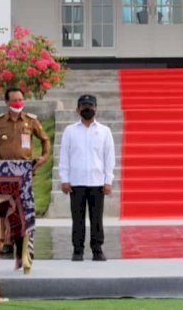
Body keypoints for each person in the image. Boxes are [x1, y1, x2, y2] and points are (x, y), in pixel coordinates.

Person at [0, 87, 51, 258]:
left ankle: (25, 242)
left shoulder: (30, 121)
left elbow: (45, 139)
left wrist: (43, 158)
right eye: (14, 100)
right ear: (7, 102)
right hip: (5, 173)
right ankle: (7, 242)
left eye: (21, 99)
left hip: (24, 173)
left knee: (25, 207)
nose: (18, 103)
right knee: (6, 207)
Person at [59, 94, 115, 261]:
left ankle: (97, 249)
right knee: (78, 219)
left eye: (90, 106)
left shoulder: (104, 131)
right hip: (76, 182)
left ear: (96, 108)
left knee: (96, 218)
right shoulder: (70, 131)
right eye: (84, 106)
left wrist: (108, 181)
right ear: (77, 110)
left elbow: (109, 158)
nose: (87, 109)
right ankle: (78, 250)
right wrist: (64, 179)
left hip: (97, 182)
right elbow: (64, 157)